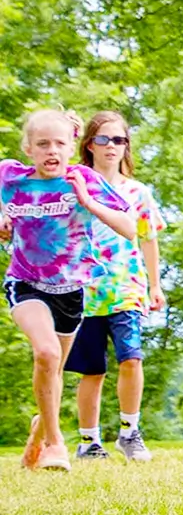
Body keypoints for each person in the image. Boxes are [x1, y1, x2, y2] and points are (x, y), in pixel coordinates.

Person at [6, 109, 134, 471]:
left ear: (70, 147)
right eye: (42, 144)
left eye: (59, 144)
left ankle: (39, 431)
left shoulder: (83, 179)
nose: (52, 150)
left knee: (54, 370)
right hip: (26, 283)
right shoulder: (10, 177)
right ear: (28, 148)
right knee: (46, 354)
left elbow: (129, 228)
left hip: (70, 290)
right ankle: (55, 443)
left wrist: (89, 203)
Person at [63, 112, 166, 462]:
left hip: (127, 288)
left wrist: (155, 285)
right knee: (92, 370)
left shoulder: (138, 192)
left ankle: (129, 432)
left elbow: (148, 239)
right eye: (103, 139)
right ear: (90, 144)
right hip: (84, 291)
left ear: (127, 146)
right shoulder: (74, 185)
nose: (111, 146)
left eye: (119, 140)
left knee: (132, 358)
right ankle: (88, 441)